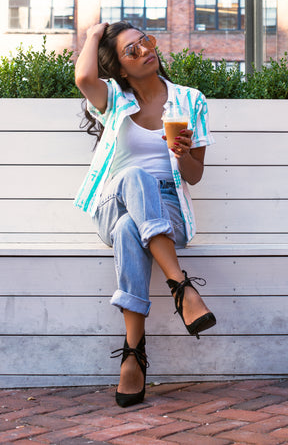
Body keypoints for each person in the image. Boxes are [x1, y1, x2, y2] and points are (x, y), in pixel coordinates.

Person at [74, 20, 216, 408]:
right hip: (113, 199)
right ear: (119, 68)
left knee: (127, 230)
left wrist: (183, 154)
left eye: (146, 41)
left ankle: (132, 355)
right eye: (131, 51)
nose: (145, 51)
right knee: (133, 180)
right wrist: (92, 35)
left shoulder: (191, 101)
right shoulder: (114, 98)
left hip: (167, 206)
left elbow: (194, 176)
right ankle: (181, 287)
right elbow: (84, 76)